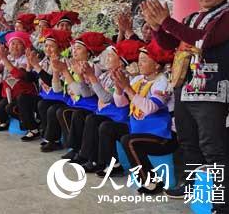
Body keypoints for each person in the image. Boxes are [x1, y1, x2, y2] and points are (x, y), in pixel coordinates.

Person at [142, 0, 229, 211]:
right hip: (185, 87)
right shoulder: (192, 18)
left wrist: (167, 21)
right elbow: (169, 44)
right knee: (188, 142)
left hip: (214, 92)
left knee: (213, 148)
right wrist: (156, 27)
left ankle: (222, 205)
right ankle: (192, 186)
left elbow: (204, 39)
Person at [78, 40, 143, 177]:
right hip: (106, 113)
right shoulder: (106, 75)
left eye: (111, 56)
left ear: (120, 62)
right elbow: (86, 94)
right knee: (92, 119)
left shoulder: (124, 76)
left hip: (119, 117)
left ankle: (100, 161)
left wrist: (91, 76)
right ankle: (92, 158)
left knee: (97, 122)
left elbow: (108, 98)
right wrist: (81, 77)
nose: (106, 58)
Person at [120, 40, 176, 194]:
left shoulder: (162, 82)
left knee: (128, 141)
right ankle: (113, 165)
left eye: (144, 60)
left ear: (157, 65)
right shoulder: (138, 80)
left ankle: (151, 182)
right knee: (108, 127)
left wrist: (127, 88)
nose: (140, 64)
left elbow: (150, 108)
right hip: (139, 130)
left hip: (161, 137)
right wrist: (119, 89)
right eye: (139, 60)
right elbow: (121, 103)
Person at [57, 32, 111, 158]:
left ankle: (78, 150)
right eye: (74, 48)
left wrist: (81, 77)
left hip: (90, 105)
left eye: (79, 48)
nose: (75, 51)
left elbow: (86, 94)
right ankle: (75, 149)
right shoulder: (73, 66)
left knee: (73, 113)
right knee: (63, 111)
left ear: (88, 53)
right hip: (78, 103)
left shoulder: (93, 68)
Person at [0, 31, 37, 133]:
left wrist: (4, 59)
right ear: (8, 46)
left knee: (10, 108)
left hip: (25, 95)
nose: (15, 46)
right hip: (9, 95)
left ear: (24, 48)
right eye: (12, 43)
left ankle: (32, 126)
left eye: (18, 44)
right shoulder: (7, 58)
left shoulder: (26, 59)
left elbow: (19, 75)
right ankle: (9, 121)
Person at [37, 29, 73, 152]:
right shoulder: (44, 62)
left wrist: (37, 68)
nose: (48, 49)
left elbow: (58, 87)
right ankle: (47, 135)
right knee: (41, 104)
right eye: (46, 45)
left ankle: (54, 140)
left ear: (59, 47)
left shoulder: (65, 62)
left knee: (53, 109)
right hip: (49, 97)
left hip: (63, 98)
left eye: (52, 46)